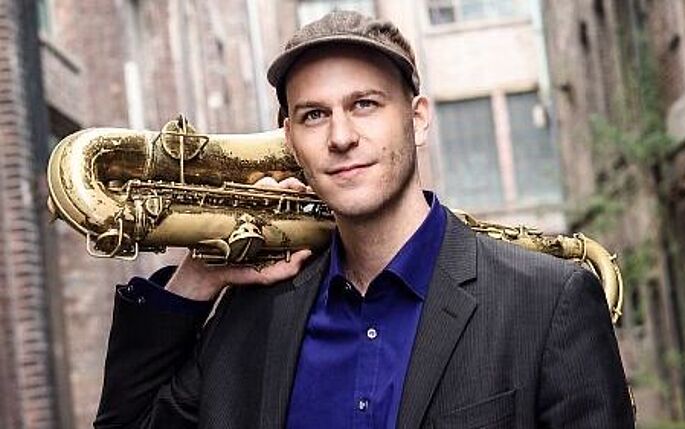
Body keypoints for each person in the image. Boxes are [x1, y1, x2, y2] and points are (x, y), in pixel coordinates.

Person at [94, 10, 635, 428]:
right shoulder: (250, 315)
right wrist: (198, 277)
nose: (341, 136)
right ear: (290, 142)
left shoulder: (548, 302)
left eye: (365, 104)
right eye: (314, 115)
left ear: (417, 119)